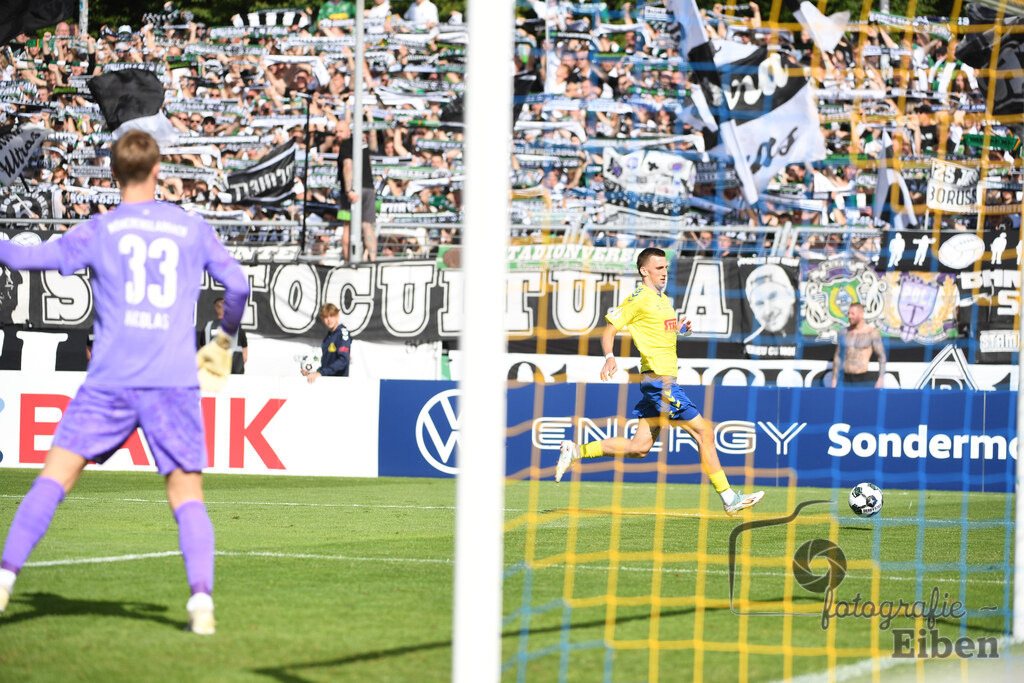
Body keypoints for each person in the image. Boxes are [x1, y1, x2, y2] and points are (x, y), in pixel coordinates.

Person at [0, 131, 250, 635]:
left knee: (54, 478)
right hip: (171, 382)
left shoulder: (100, 229)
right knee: (188, 498)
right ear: (158, 171)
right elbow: (239, 285)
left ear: (112, 175)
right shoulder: (191, 228)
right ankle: (201, 604)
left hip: (110, 379)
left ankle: (4, 580)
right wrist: (222, 341)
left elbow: (18, 259)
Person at [555, 248, 765, 516]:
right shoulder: (639, 298)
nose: (664, 272)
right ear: (644, 271)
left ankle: (576, 450)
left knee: (639, 448)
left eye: (666, 268)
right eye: (659, 268)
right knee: (705, 433)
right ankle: (728, 498)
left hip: (658, 381)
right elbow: (609, 329)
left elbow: (660, 334)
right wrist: (609, 357)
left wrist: (680, 330)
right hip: (660, 383)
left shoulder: (663, 300)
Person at [335, 121, 377, 263]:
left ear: (348, 131)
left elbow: (347, 166)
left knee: (347, 225)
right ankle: (373, 260)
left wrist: (348, 190)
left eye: (340, 131)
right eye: (336, 131)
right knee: (367, 225)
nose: (337, 135)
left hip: (353, 191)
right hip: (368, 188)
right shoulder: (362, 144)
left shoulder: (346, 145)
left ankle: (348, 262)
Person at [831, 302, 887, 388]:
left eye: (853, 314)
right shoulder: (844, 332)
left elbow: (881, 356)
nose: (849, 316)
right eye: (849, 313)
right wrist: (834, 379)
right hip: (845, 378)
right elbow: (838, 356)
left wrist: (881, 378)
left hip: (862, 379)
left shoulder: (872, 333)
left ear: (861, 314)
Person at [744, 263, 796, 340]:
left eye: (772, 297)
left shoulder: (813, 333)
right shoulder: (751, 344)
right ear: (752, 308)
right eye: (759, 303)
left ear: (791, 294)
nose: (768, 311)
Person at [199, 297, 248, 374]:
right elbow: (245, 357)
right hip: (235, 375)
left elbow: (202, 353)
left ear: (216, 309)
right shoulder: (237, 328)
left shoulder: (207, 327)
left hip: (213, 374)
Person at [303, 303, 351, 383]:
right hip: (327, 381)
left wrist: (321, 373)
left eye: (331, 315)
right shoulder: (328, 337)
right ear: (322, 319)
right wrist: (311, 371)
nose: (329, 320)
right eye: (326, 317)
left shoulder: (342, 333)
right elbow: (326, 364)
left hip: (339, 383)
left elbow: (343, 360)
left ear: (337, 316)